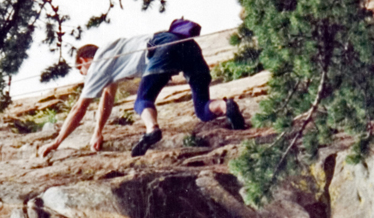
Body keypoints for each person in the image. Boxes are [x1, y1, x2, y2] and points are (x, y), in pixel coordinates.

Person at [40, 30, 246, 157]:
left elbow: (79, 108)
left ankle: (151, 129)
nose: (83, 75)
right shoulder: (113, 59)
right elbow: (107, 98)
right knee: (203, 109)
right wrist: (97, 132)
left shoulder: (99, 63)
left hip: (161, 48)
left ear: (85, 60)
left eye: (80, 70)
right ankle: (225, 106)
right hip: (187, 45)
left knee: (142, 102)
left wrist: (57, 141)